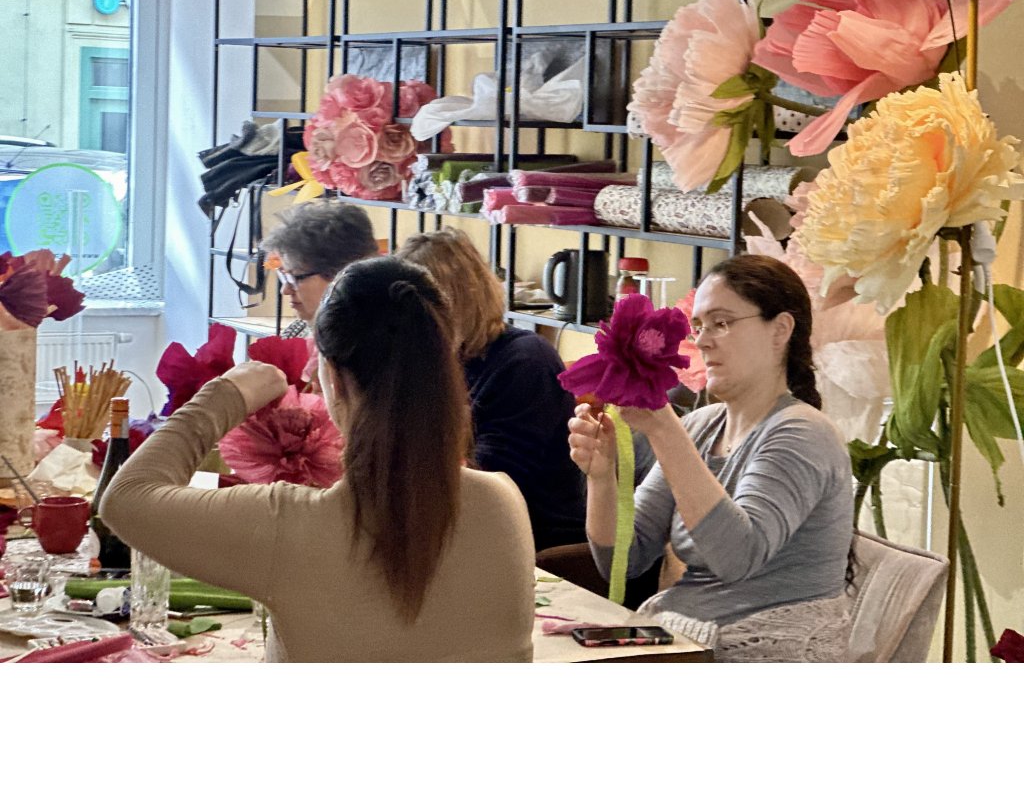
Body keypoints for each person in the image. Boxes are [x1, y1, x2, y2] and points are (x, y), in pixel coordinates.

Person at [99, 257, 536, 662]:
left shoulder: (289, 528)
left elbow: (125, 498)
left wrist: (226, 395)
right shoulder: (502, 501)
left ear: (332, 376)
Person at [567, 254, 855, 662]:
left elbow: (737, 557)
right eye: (699, 326)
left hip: (772, 653)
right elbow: (624, 559)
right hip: (689, 643)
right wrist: (601, 476)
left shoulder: (803, 433)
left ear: (781, 330)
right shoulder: (701, 425)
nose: (702, 341)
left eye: (721, 323)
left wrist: (665, 431)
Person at [395, 228, 587, 552]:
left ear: (457, 301)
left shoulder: (526, 361)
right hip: (465, 533)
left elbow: (491, 487)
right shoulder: (436, 360)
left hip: (532, 543)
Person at [260, 197, 379, 336]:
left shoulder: (375, 338)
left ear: (339, 274)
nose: (285, 290)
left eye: (295, 278)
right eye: (284, 276)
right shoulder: (302, 328)